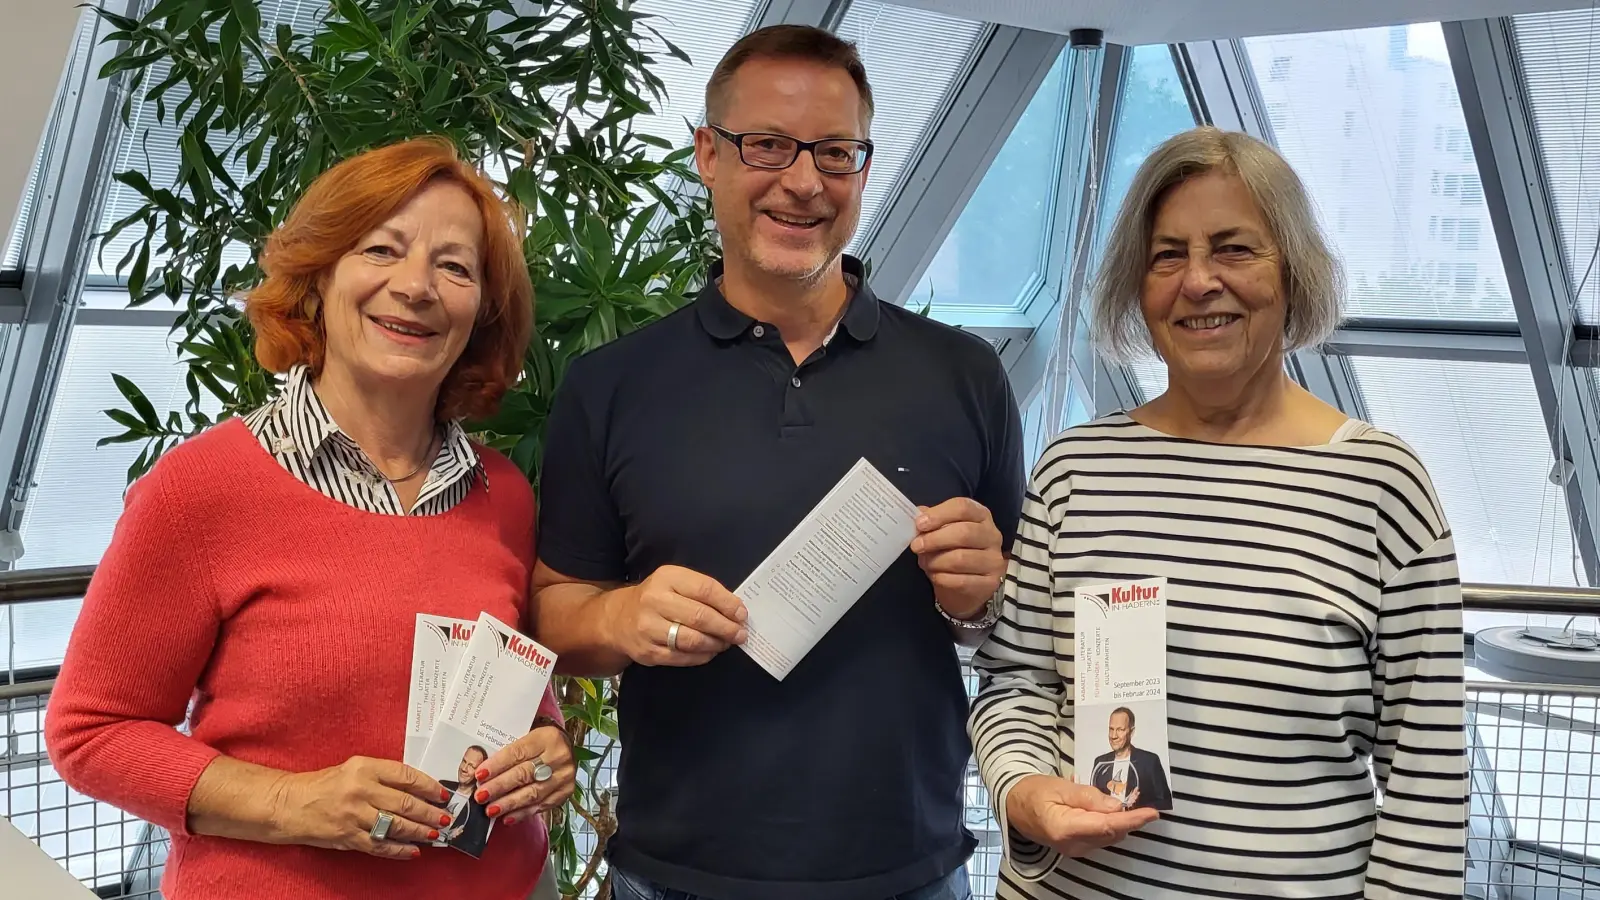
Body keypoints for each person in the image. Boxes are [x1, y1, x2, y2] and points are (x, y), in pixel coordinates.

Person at [530, 24, 1025, 900]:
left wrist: (979, 600)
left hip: (910, 872)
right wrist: (623, 619)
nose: (803, 182)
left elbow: (1014, 633)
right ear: (708, 156)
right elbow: (554, 615)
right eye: (768, 145)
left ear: (864, 171)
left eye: (836, 153)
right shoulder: (610, 385)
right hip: (674, 874)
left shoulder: (965, 376)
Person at [45, 137, 576, 900]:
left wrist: (547, 750)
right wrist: (298, 804)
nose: (417, 286)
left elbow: (511, 685)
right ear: (320, 274)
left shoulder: (501, 494)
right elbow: (89, 734)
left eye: (455, 267)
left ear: (481, 315)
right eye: (382, 249)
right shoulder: (201, 489)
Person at [968, 126, 1466, 899]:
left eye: (1234, 249)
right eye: (1169, 255)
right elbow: (1015, 682)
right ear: (1140, 286)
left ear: (1294, 273)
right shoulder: (1075, 470)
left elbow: (1425, 774)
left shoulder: (1379, 487)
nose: (1199, 282)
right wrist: (1023, 791)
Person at [1089, 708, 1170, 812]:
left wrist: (1134, 806)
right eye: (1111, 729)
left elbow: (1165, 802)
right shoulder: (1100, 762)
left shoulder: (1150, 761)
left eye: (1120, 730)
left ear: (1131, 732)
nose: (1114, 736)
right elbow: (1094, 801)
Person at [442, 746, 493, 854]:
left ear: (480, 772)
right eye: (464, 761)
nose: (464, 768)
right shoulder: (442, 785)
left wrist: (455, 839)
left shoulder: (481, 807)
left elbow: (476, 849)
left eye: (471, 766)